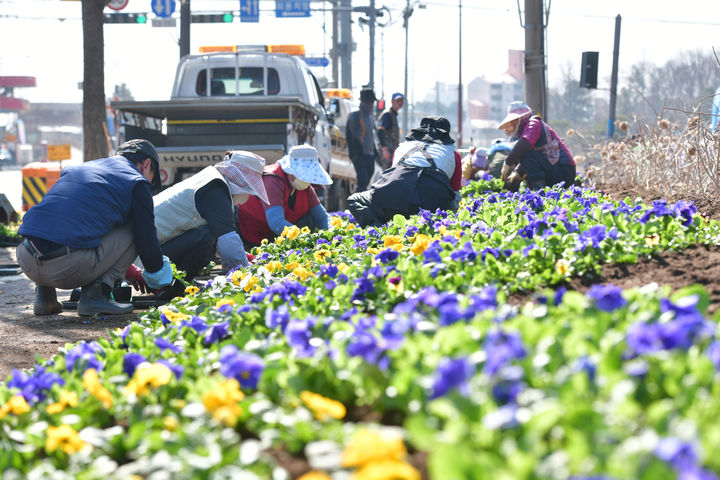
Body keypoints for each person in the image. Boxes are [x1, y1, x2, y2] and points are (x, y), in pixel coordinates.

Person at [17, 139, 173, 317]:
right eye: (151, 178)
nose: (148, 182)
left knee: (54, 225)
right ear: (147, 165)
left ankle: (45, 298)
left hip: (26, 259)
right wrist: (160, 279)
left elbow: (65, 225)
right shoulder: (137, 182)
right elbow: (146, 242)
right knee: (135, 227)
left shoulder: (81, 169)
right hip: (66, 268)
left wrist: (129, 272)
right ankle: (95, 296)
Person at [148, 151, 270, 299]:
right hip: (147, 258)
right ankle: (172, 287)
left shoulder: (212, 181)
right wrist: (247, 276)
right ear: (242, 181)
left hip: (152, 249)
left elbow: (224, 239)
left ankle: (180, 284)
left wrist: (242, 255)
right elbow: (227, 241)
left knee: (208, 235)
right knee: (207, 236)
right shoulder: (215, 189)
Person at [347, 116, 462, 227]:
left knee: (354, 200)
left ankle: (380, 231)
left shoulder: (401, 148)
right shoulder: (453, 154)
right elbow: (455, 194)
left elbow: (394, 177)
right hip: (430, 209)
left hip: (392, 202)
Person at [236, 145, 332, 248]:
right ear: (290, 172)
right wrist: (305, 241)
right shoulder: (272, 180)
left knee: (309, 220)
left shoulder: (305, 186)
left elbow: (322, 217)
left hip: (279, 234)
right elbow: (276, 222)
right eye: (302, 175)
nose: (306, 180)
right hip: (252, 234)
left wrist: (333, 233)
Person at [498, 101, 576, 189]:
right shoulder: (526, 129)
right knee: (521, 154)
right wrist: (518, 172)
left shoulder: (534, 123)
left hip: (564, 171)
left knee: (523, 153)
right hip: (555, 169)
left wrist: (507, 163)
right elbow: (534, 157)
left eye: (514, 121)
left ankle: (539, 189)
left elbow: (526, 144)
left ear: (522, 118)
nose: (513, 124)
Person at [346, 87, 379, 192]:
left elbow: (371, 138)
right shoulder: (355, 116)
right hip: (360, 155)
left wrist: (375, 154)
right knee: (362, 181)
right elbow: (351, 136)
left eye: (372, 102)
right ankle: (358, 204)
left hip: (369, 155)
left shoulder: (370, 118)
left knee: (367, 180)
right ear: (364, 102)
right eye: (369, 102)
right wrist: (355, 155)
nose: (371, 105)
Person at [377, 92, 404, 170]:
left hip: (392, 151)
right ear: (392, 101)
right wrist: (384, 150)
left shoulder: (393, 114)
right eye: (398, 100)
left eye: (401, 100)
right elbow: (380, 132)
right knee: (387, 175)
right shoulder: (388, 115)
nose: (400, 103)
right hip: (387, 151)